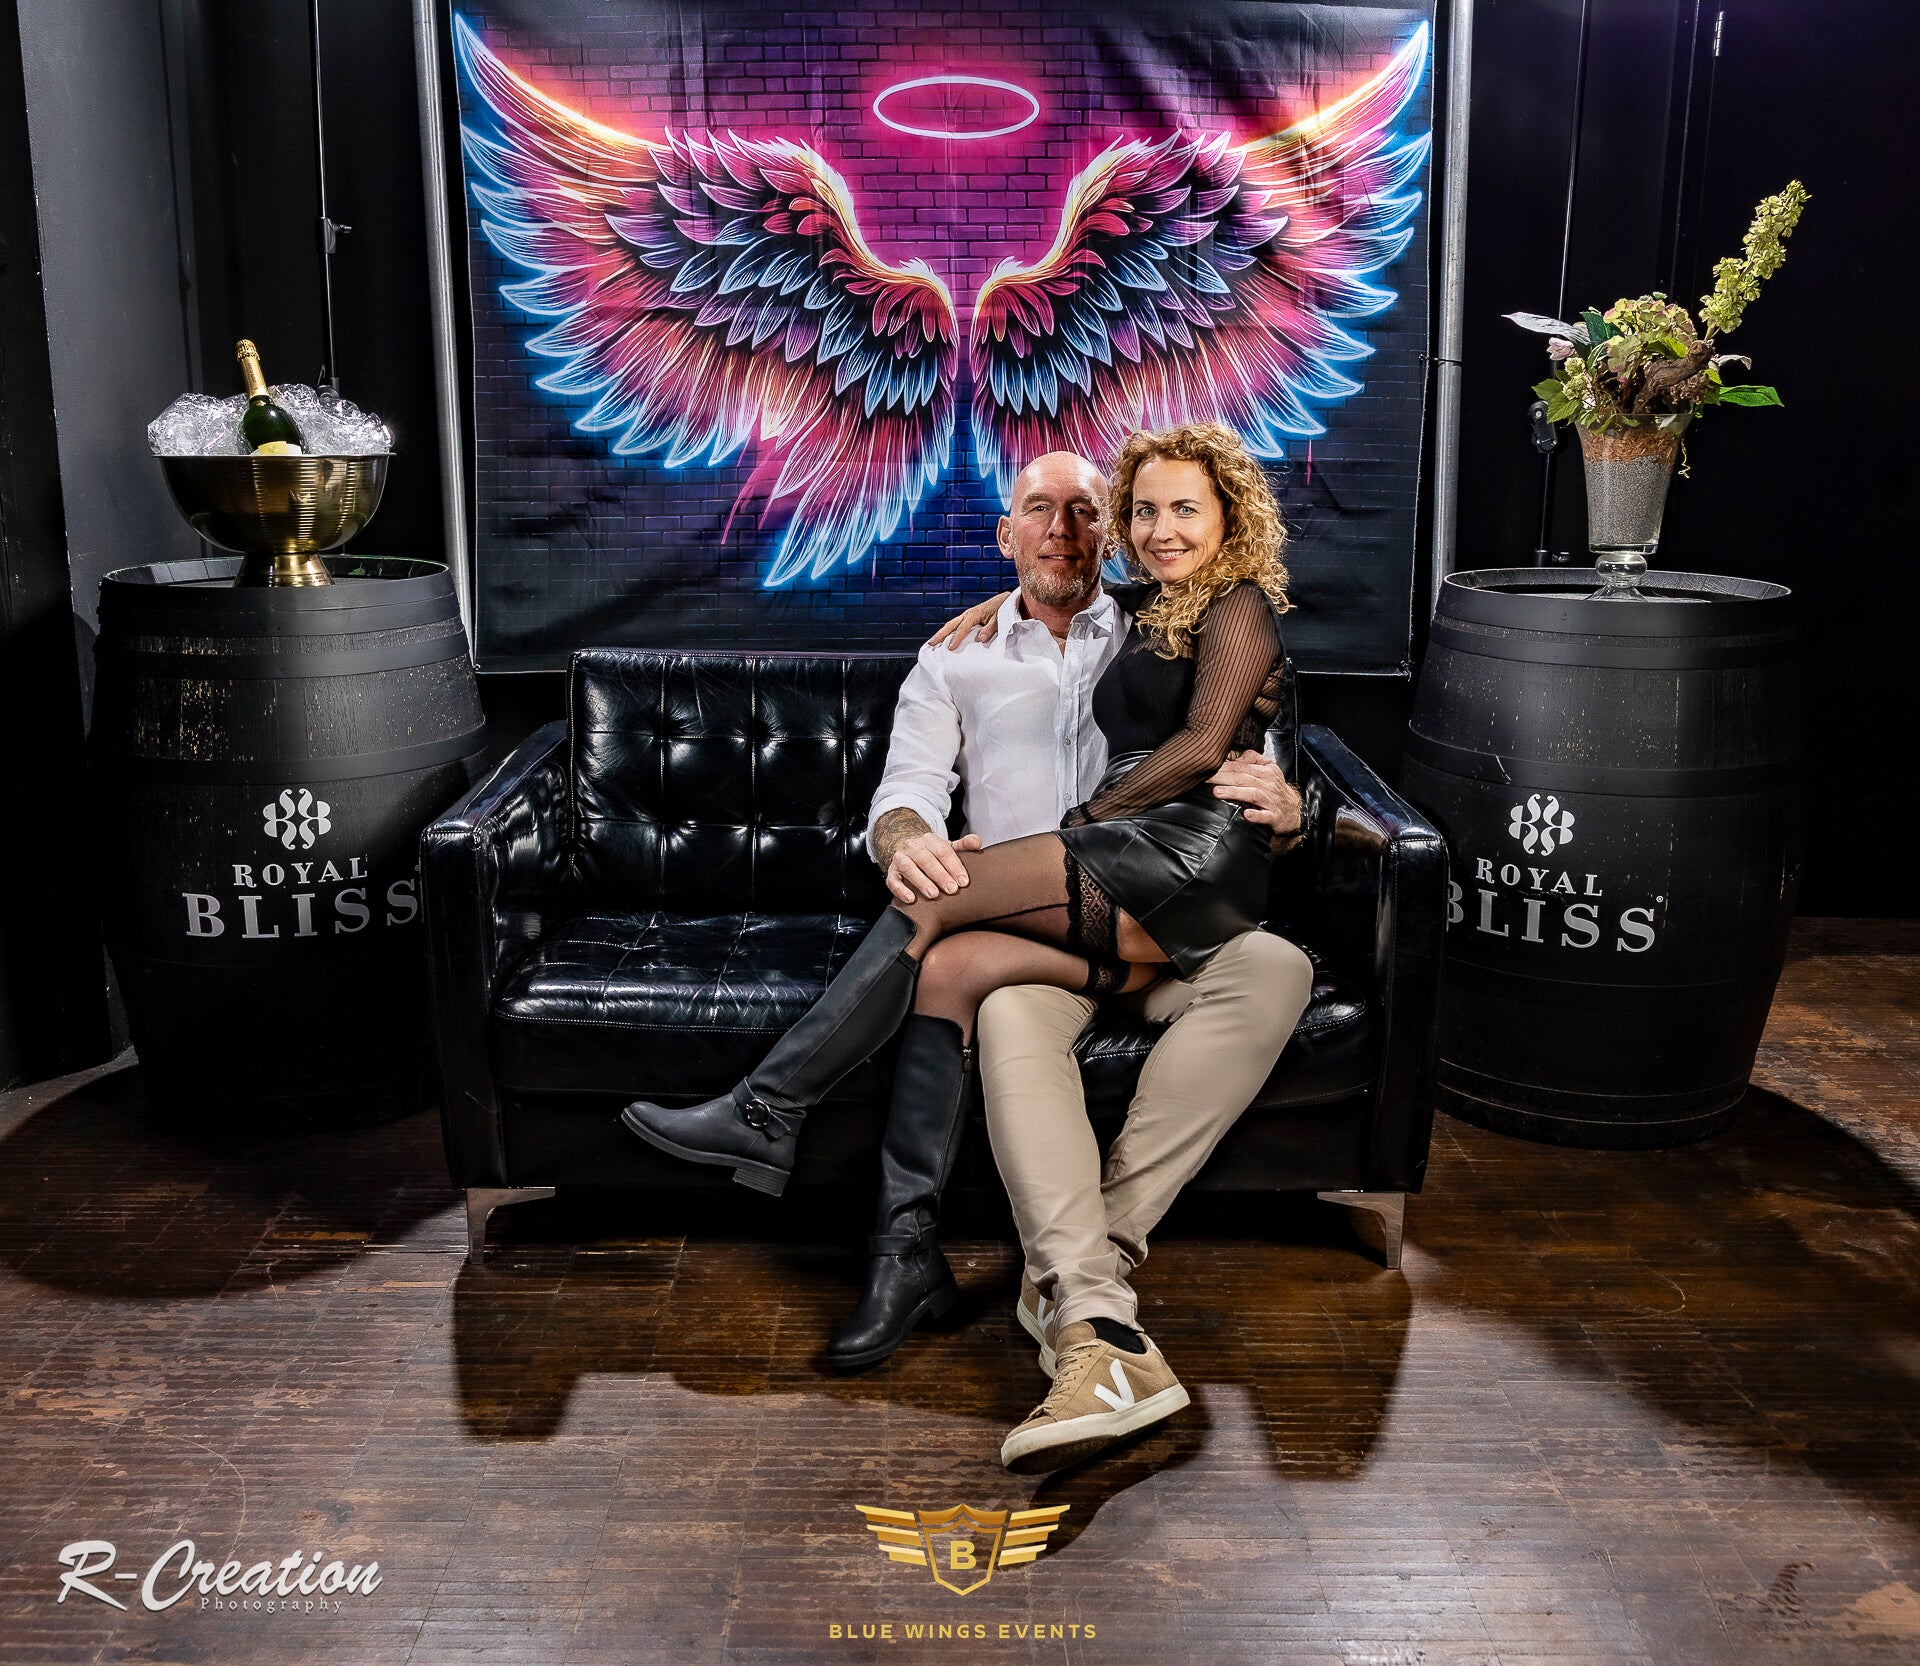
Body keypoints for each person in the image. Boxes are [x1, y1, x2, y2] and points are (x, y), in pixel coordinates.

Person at [623, 422, 1315, 1471]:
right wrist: (908, 841)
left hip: (1161, 898)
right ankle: (923, 1254)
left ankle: (1059, 1262)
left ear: (1109, 537)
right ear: (1005, 534)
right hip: (1042, 926)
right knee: (955, 959)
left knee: (1280, 964)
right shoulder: (960, 651)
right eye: (1042, 511)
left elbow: (1227, 734)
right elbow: (905, 791)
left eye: (1088, 511)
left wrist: (1291, 808)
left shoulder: (1157, 616)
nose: (1067, 529)